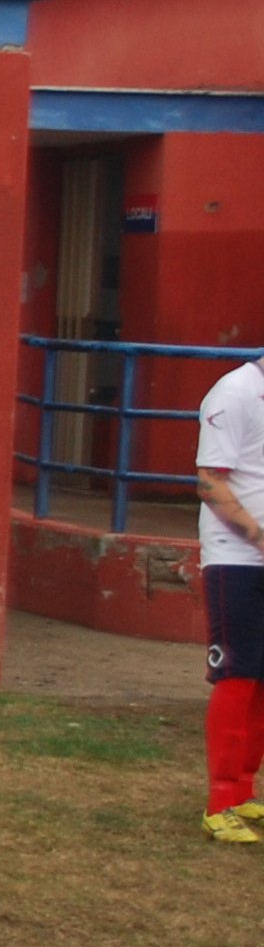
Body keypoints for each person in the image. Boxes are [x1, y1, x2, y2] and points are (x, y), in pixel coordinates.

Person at [194, 352, 264, 842]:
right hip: (236, 559)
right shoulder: (236, 392)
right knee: (237, 674)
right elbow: (209, 481)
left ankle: (243, 791)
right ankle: (219, 802)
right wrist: (258, 536)